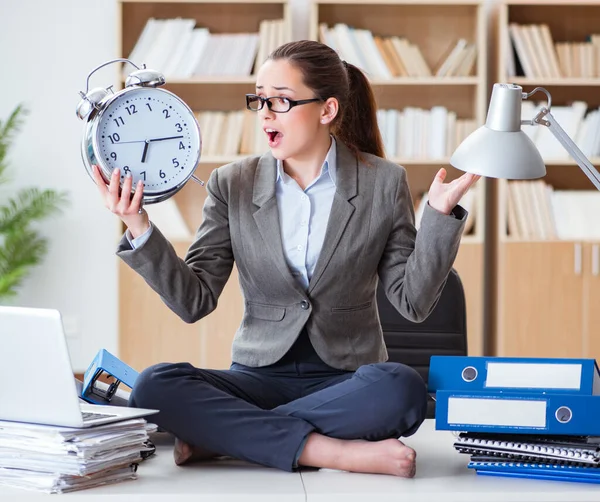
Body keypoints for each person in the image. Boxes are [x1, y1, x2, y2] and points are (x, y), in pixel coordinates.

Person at [91, 40, 479, 478]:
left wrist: (438, 219)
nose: (265, 114)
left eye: (280, 100)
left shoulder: (383, 183)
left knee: (402, 389)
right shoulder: (232, 183)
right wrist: (138, 223)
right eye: (259, 100)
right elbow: (194, 301)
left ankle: (226, 436)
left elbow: (413, 302)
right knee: (155, 385)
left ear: (327, 109)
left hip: (347, 380)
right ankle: (331, 451)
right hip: (257, 377)